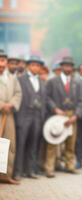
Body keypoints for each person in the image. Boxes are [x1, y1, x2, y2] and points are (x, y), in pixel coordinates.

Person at [44, 56, 82, 178]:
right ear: (61, 67)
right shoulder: (52, 81)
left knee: (70, 143)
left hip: (71, 116)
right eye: (65, 65)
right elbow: (47, 98)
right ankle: (49, 168)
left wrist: (76, 115)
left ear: (72, 68)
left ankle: (69, 166)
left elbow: (81, 101)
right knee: (53, 142)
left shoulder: (77, 82)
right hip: (57, 115)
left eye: (70, 66)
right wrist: (55, 108)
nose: (68, 68)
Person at [14, 55, 47, 180]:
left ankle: (30, 170)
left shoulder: (42, 82)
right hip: (24, 116)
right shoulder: (20, 79)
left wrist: (42, 117)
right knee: (21, 144)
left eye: (38, 65)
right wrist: (18, 118)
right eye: (33, 65)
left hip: (37, 117)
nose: (36, 67)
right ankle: (18, 172)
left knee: (33, 145)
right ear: (28, 66)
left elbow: (44, 100)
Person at [0, 50, 22, 185]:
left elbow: (18, 93)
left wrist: (11, 104)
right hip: (1, 111)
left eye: (3, 60)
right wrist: (2, 105)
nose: (1, 63)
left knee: (9, 145)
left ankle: (5, 176)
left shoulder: (12, 78)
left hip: (8, 116)